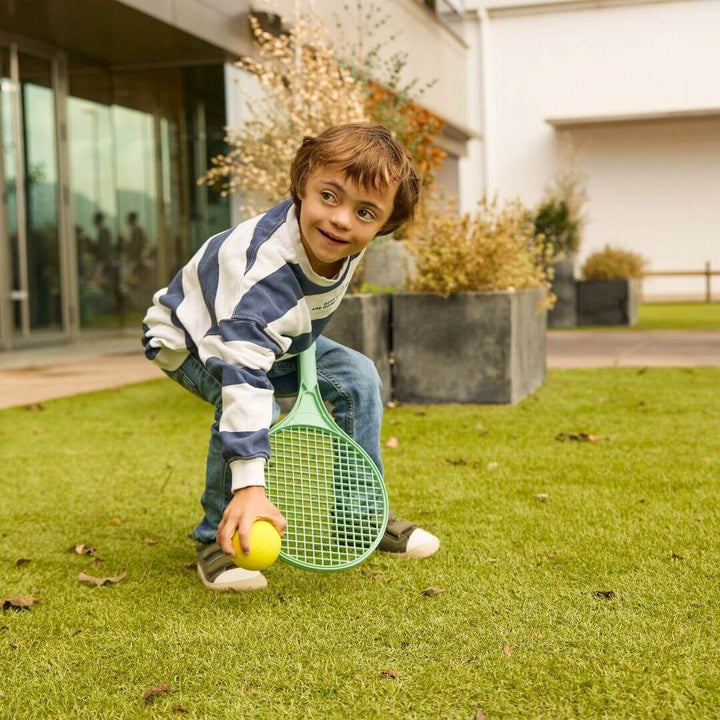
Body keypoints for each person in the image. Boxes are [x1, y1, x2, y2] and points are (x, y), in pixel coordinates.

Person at [142, 122, 440, 592]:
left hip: (273, 336)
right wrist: (252, 488)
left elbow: (304, 307)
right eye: (329, 196)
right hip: (192, 337)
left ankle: (359, 518)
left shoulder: (339, 239)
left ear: (384, 225)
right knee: (237, 399)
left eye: (365, 212)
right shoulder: (260, 276)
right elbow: (242, 369)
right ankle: (218, 539)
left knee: (356, 376)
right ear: (302, 184)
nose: (342, 219)